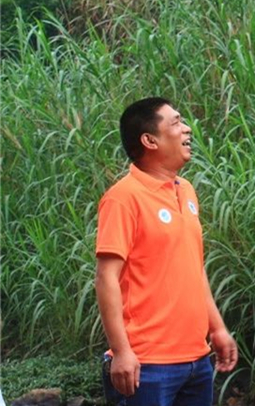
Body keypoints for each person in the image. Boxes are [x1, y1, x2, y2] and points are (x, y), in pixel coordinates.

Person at [96, 98, 237, 404]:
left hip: (197, 360)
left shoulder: (185, 190)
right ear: (149, 140)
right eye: (175, 123)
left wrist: (218, 328)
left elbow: (193, 268)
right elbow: (106, 277)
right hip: (146, 365)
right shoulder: (123, 198)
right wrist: (121, 351)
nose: (187, 128)